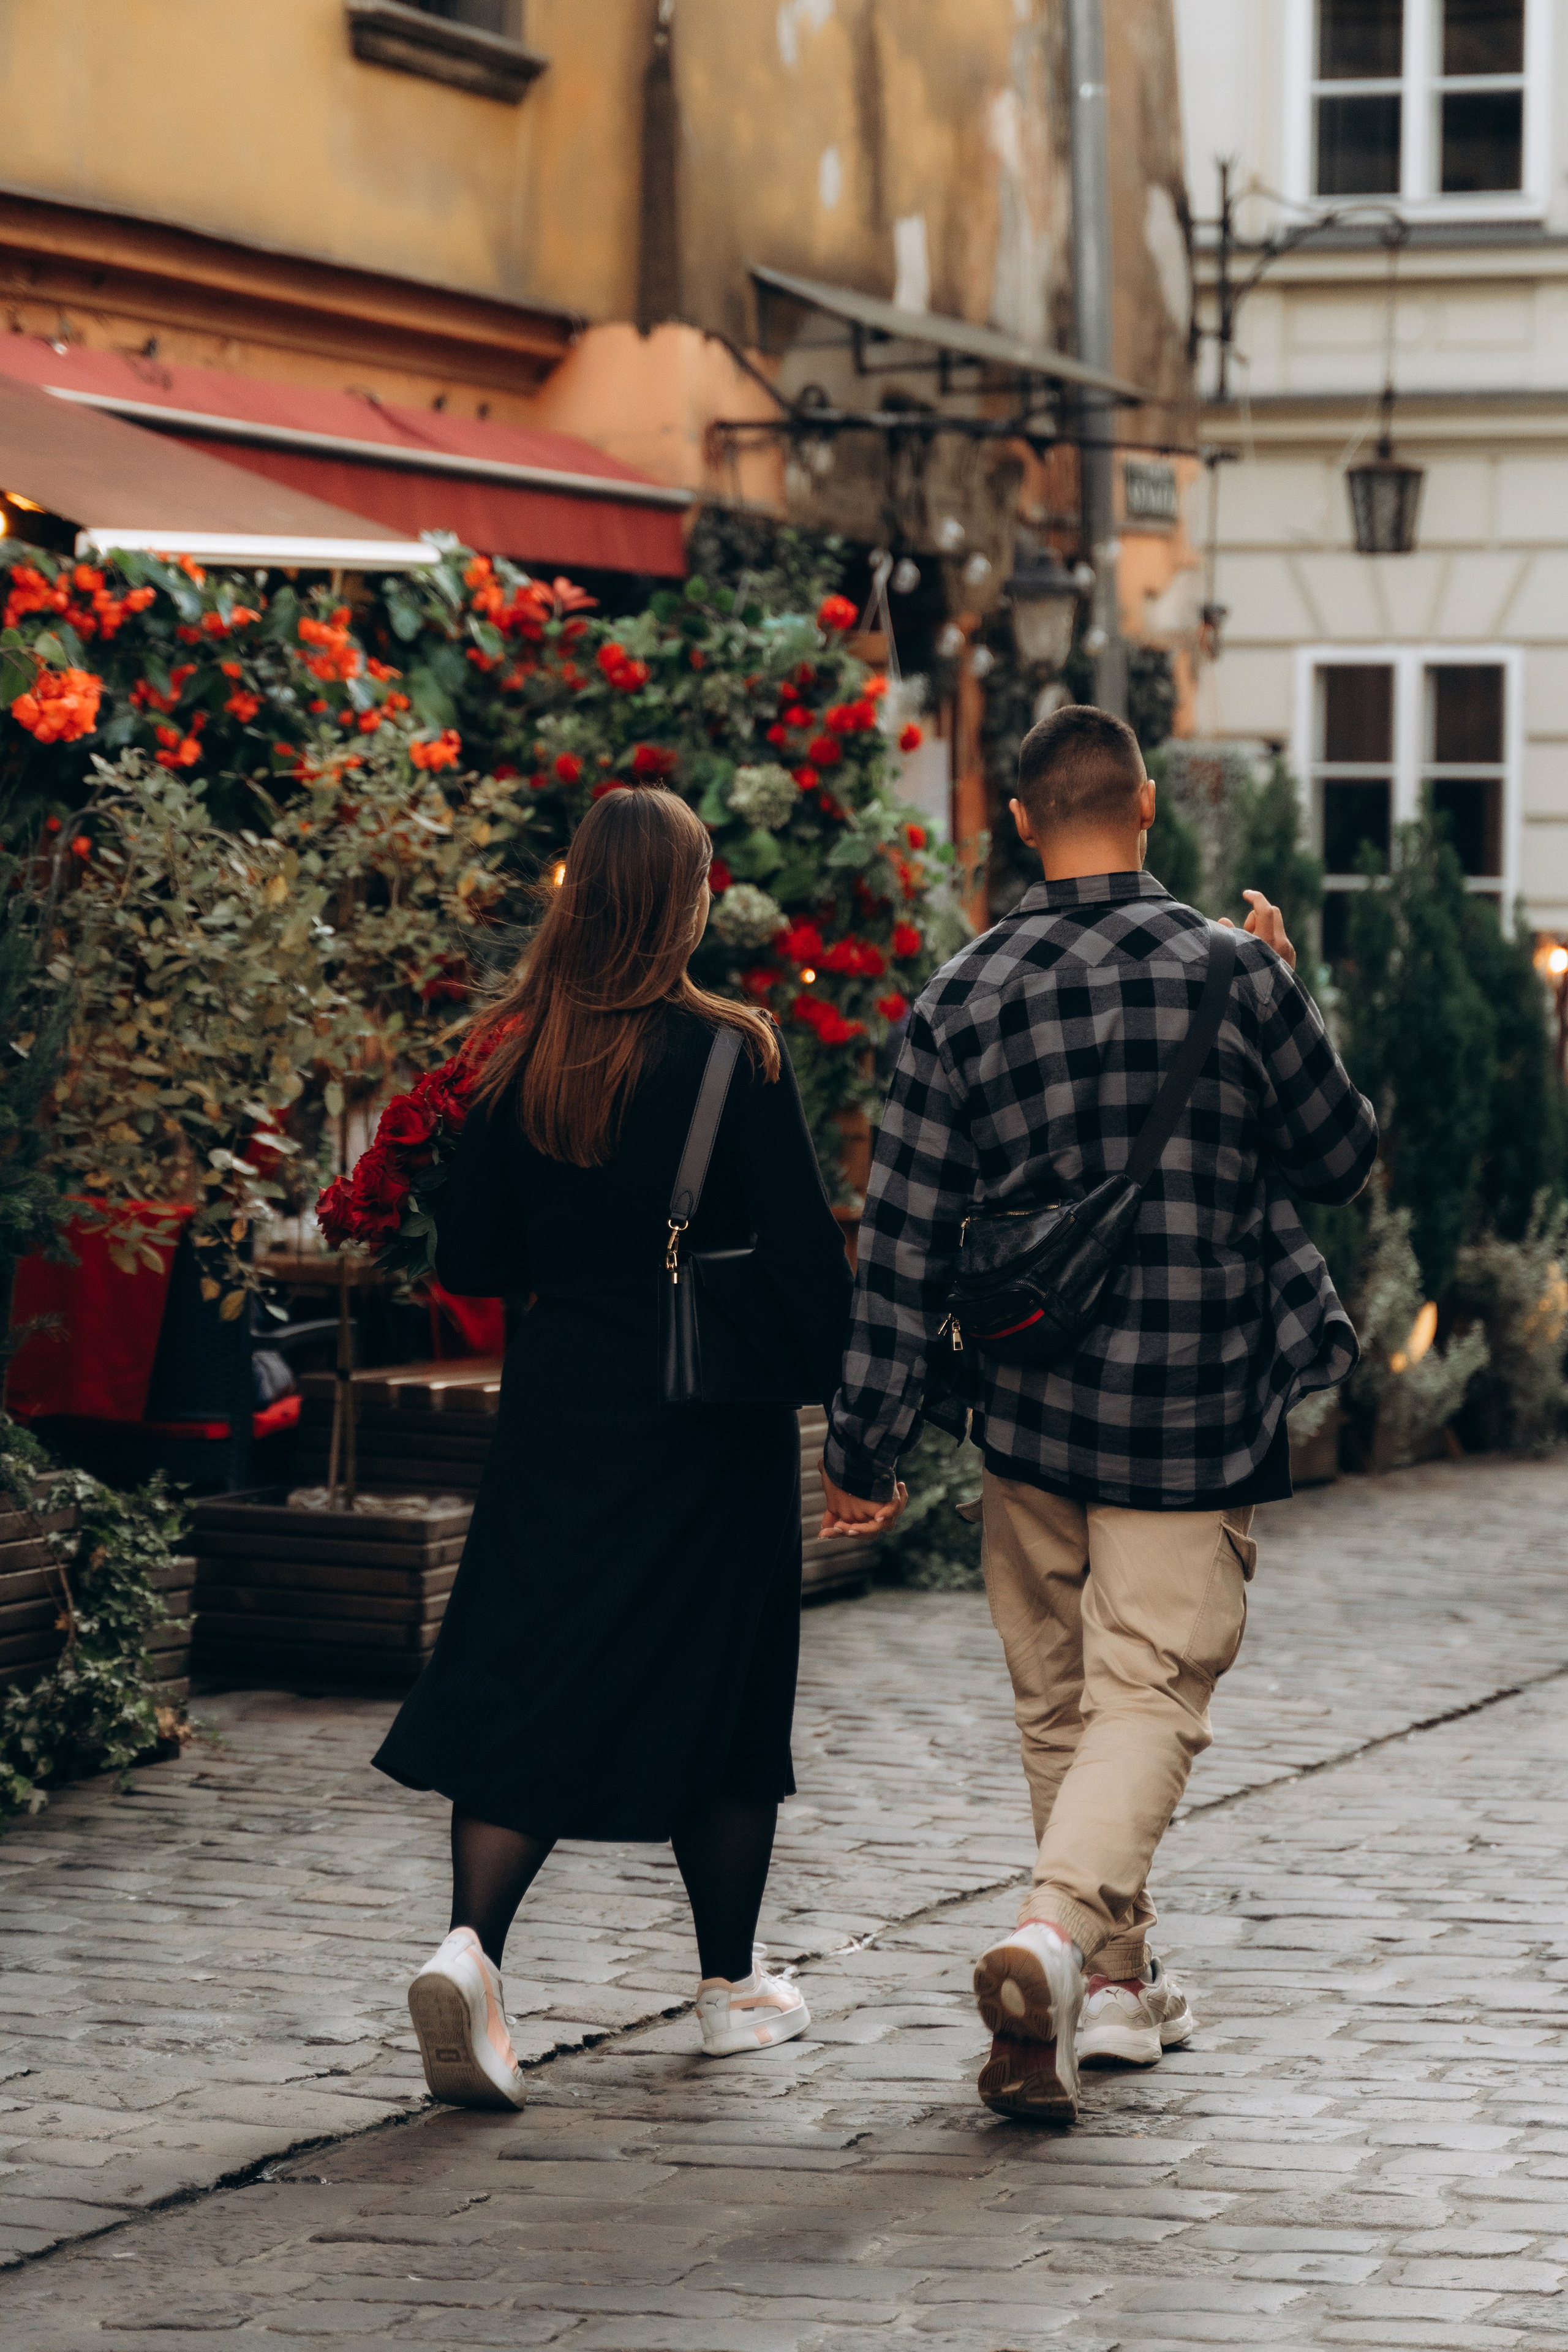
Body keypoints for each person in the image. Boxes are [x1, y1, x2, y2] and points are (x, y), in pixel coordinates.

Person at [818, 704, 1378, 2123]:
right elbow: (1337, 1156)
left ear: (1016, 822)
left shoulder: (956, 997)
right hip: (1192, 1402)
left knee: (1060, 1702)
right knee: (1149, 1692)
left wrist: (866, 1443)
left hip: (1028, 1408)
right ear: (1143, 808)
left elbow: (899, 1241)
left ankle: (1112, 1995)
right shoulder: (1231, 972)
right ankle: (1057, 1938)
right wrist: (1283, 986)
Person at [374, 786, 894, 2110]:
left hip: (557, 1411)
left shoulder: (510, 1057)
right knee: (721, 1694)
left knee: (529, 1672)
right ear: (684, 898)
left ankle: (471, 1953)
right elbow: (800, 1261)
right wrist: (858, 1428)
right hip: (703, 1425)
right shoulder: (734, 1055)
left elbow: (476, 1258)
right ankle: (728, 1991)